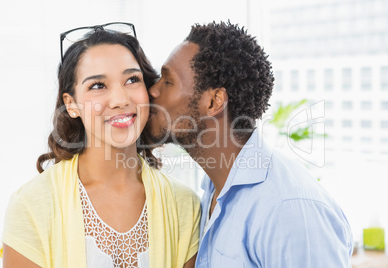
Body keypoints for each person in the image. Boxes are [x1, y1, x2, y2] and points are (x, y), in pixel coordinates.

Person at [145, 21, 353, 267]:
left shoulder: (288, 210)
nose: (152, 91)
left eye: (168, 82)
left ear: (214, 101)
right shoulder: (214, 190)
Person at [2, 23, 200, 268]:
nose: (119, 100)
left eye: (132, 80)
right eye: (97, 85)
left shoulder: (185, 205)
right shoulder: (31, 205)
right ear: (71, 104)